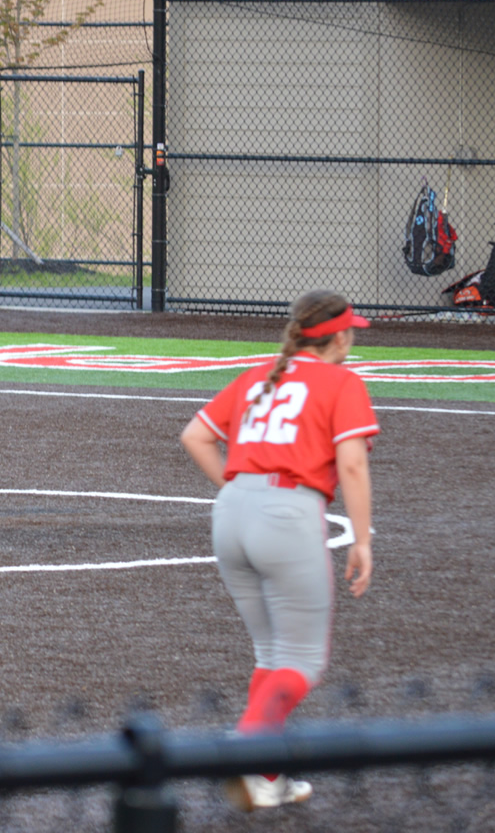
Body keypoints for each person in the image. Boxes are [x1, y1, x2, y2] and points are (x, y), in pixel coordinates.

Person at [178, 290, 377, 812]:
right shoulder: (342, 382)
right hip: (288, 514)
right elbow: (352, 465)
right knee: (303, 662)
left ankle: (267, 776)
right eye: (350, 332)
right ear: (339, 337)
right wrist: (362, 539)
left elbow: (195, 436)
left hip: (231, 512)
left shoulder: (258, 376)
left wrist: (241, 492)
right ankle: (247, 747)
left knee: (271, 656)